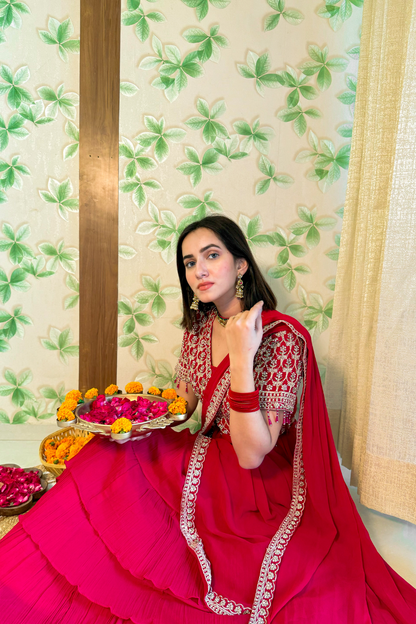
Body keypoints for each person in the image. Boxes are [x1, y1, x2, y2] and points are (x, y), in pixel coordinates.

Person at [0, 215, 415, 623]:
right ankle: (66, 568)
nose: (198, 269)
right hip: (211, 454)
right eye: (189, 262)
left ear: (240, 264)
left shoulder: (281, 336)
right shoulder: (199, 328)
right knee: (109, 455)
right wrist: (127, 419)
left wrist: (241, 354)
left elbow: (252, 453)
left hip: (259, 480)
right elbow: (182, 407)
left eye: (211, 255)